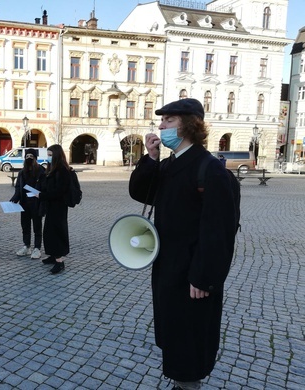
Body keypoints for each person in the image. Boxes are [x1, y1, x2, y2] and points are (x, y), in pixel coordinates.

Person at [129, 98, 237, 390]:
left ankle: (187, 385)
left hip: (192, 274)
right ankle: (180, 382)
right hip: (168, 268)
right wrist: (150, 158)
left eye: (169, 121)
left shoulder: (208, 168)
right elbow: (140, 192)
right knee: (174, 334)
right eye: (162, 121)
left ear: (189, 125)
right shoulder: (168, 164)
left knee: (190, 341)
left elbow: (219, 231)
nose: (161, 126)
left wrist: (204, 277)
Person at [38, 144, 71, 274]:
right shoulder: (52, 168)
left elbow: (59, 191)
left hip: (59, 206)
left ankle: (59, 261)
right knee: (49, 232)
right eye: (48, 155)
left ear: (57, 155)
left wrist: (41, 195)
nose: (48, 157)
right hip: (51, 205)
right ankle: (53, 255)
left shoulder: (62, 170)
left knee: (57, 232)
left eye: (50, 155)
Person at [10, 148, 46, 259]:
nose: (29, 159)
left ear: (35, 158)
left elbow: (44, 187)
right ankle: (26, 246)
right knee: (25, 226)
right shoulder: (22, 172)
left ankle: (37, 248)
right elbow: (18, 187)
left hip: (36, 203)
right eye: (27, 157)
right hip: (24, 204)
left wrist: (38, 193)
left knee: (37, 227)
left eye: (31, 157)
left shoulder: (41, 171)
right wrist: (15, 197)